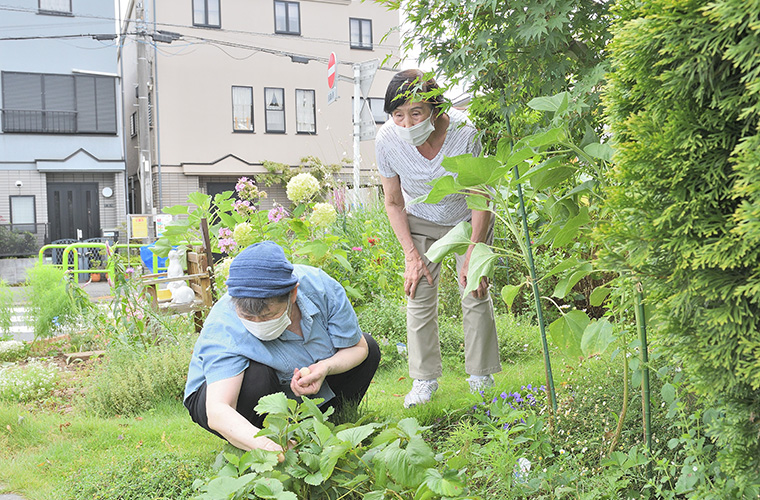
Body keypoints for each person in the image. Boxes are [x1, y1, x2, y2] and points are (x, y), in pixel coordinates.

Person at [375, 69, 501, 408]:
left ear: (436, 110)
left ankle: (480, 375)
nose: (407, 122)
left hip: (467, 215)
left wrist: (475, 249)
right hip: (420, 220)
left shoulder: (464, 132)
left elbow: (481, 193)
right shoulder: (387, 140)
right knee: (417, 292)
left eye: (416, 112)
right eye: (397, 114)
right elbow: (393, 201)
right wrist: (410, 256)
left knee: (475, 289)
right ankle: (424, 380)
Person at [183, 241, 380, 452]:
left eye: (268, 315)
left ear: (293, 294)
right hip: (225, 393)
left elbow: (359, 349)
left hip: (298, 386)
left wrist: (326, 367)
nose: (258, 323)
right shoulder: (224, 323)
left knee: (369, 347)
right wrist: (267, 446)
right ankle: (258, 438)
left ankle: (327, 424)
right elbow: (219, 409)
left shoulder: (321, 288)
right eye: (248, 316)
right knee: (258, 376)